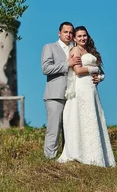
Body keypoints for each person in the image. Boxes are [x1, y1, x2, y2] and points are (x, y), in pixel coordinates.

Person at [41, 22, 103, 159]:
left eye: (70, 32)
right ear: (59, 33)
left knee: (71, 127)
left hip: (74, 94)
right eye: (65, 32)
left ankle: (68, 156)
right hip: (55, 94)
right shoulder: (49, 47)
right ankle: (49, 158)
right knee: (54, 128)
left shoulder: (77, 48)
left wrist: (99, 77)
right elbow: (46, 69)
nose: (68, 35)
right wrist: (67, 64)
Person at [56, 25, 115, 167]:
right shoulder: (75, 50)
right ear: (75, 39)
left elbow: (100, 72)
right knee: (83, 117)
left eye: (85, 35)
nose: (83, 38)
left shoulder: (90, 51)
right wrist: (93, 69)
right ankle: (80, 153)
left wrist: (100, 77)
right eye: (79, 36)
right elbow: (78, 70)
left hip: (92, 89)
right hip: (81, 87)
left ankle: (96, 155)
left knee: (93, 118)